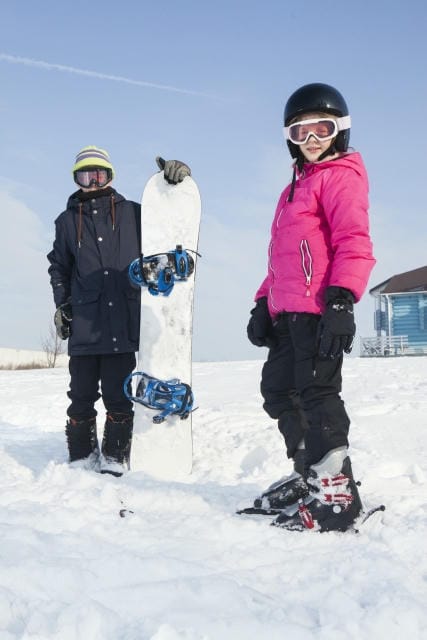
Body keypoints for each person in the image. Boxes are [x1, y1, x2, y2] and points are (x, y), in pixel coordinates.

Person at [246, 83, 376, 532]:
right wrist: (263, 302)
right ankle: (310, 476)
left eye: (322, 128)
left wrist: (342, 298)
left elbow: (353, 241)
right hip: (289, 311)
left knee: (318, 396)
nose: (313, 139)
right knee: (279, 391)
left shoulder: (341, 176)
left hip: (320, 308)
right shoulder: (293, 190)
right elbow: (282, 257)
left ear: (340, 130)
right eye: (301, 131)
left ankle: (337, 494)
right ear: (290, 138)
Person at [47, 146, 191, 476]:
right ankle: (82, 457)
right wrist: (63, 304)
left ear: (110, 176)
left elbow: (169, 225)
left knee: (118, 393)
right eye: (86, 175)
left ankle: (115, 457)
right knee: (81, 395)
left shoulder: (134, 213)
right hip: (85, 321)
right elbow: (59, 267)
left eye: (100, 174)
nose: (93, 181)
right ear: (77, 180)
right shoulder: (67, 222)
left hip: (122, 321)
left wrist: (174, 185)